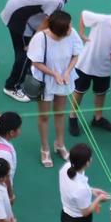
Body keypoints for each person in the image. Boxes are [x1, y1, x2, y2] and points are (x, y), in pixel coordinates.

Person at [0, 0, 86, 102]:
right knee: (26, 53)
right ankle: (11, 86)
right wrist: (34, 41)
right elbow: (47, 21)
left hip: (26, 9)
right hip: (18, 15)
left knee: (30, 49)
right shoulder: (56, 0)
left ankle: (27, 72)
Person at [69, 0, 111, 136]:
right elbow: (83, 15)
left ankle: (97, 118)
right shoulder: (101, 20)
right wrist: (82, 34)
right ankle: (72, 117)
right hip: (85, 64)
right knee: (79, 91)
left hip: (104, 68)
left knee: (101, 93)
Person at [27, 10, 82, 167]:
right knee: (44, 117)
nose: (71, 27)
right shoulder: (40, 38)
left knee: (60, 113)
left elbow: (76, 55)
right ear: (59, 32)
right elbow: (36, 63)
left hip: (63, 79)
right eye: (68, 26)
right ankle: (45, 148)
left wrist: (67, 72)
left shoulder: (71, 33)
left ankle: (60, 144)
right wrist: (54, 74)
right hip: (45, 81)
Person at [0, 112, 22, 202]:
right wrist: (10, 195)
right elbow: (6, 177)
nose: (20, 130)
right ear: (11, 132)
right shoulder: (4, 154)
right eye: (19, 128)